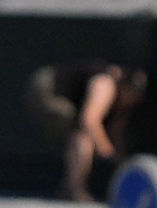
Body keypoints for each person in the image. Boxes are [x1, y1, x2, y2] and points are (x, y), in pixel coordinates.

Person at [33, 57, 147, 200]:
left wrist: (121, 161)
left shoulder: (122, 105)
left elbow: (116, 132)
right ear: (124, 85)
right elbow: (89, 120)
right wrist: (106, 151)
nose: (132, 100)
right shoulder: (105, 84)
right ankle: (75, 190)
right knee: (81, 136)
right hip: (47, 88)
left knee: (79, 134)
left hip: (64, 97)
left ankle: (70, 188)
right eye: (132, 93)